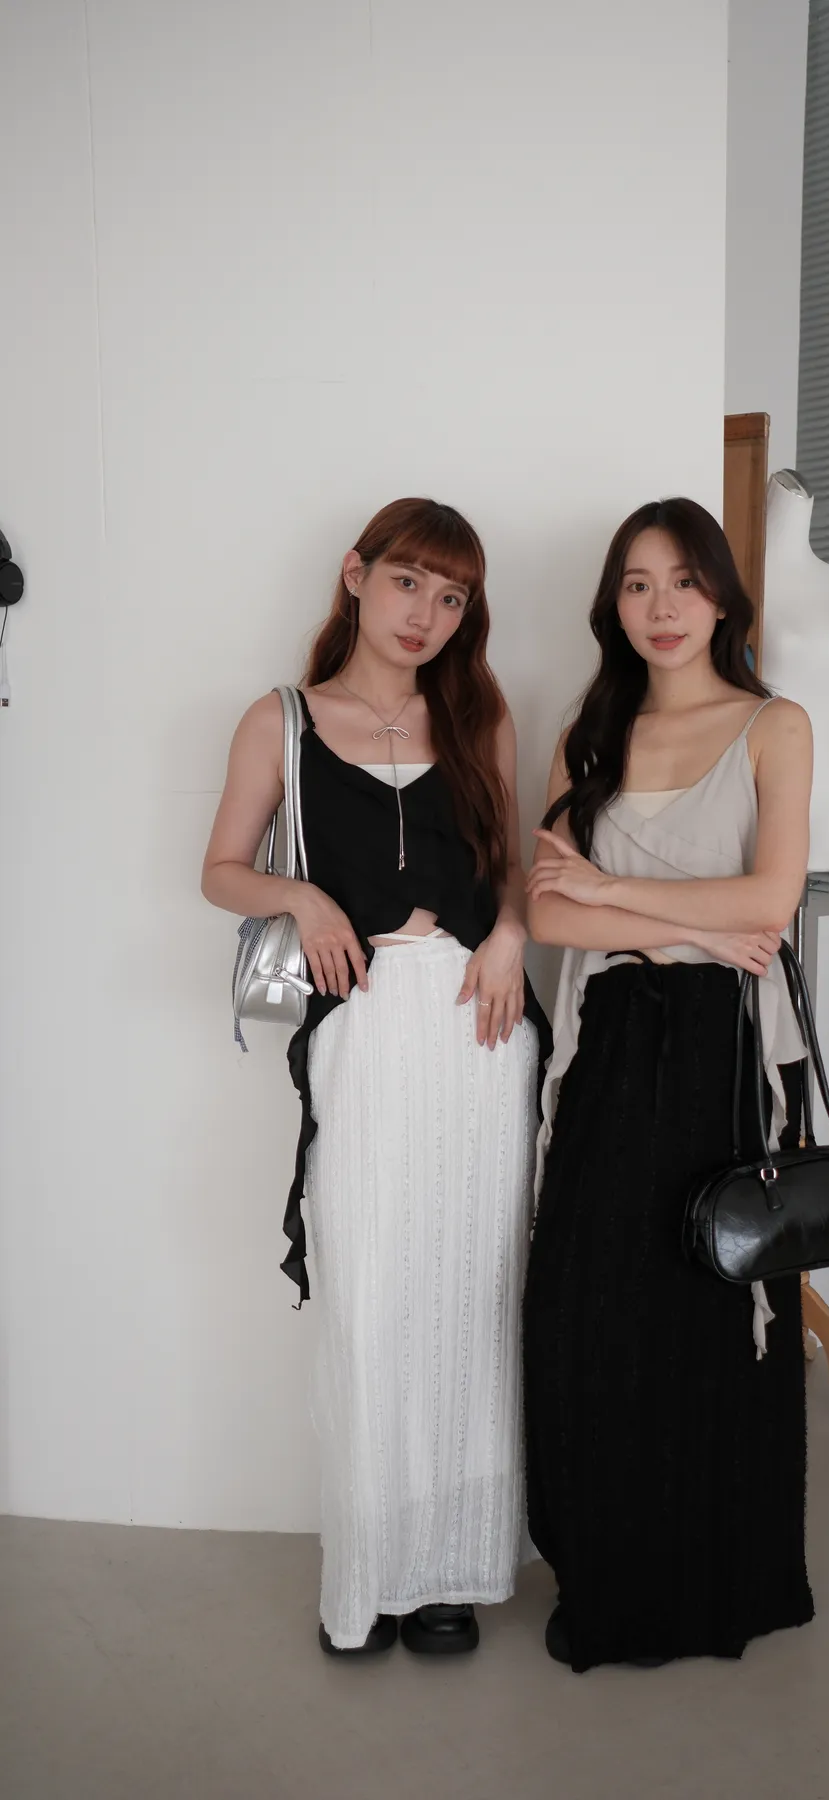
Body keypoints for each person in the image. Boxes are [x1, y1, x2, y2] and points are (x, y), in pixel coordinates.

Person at [202, 498, 546, 1658]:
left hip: (480, 1028)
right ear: (356, 575)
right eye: (408, 583)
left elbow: (513, 868)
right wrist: (300, 896)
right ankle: (371, 1574)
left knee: (471, 1295)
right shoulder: (281, 719)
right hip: (362, 1028)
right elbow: (220, 869)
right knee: (371, 1299)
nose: (426, 614)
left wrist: (512, 936)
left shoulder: (481, 715)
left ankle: (451, 1569)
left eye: (452, 598)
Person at [523, 496, 816, 1672]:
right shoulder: (588, 732)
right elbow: (547, 913)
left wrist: (613, 894)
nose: (662, 606)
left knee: (715, 1305)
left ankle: (721, 1579)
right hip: (611, 1035)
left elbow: (770, 902)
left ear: (723, 598)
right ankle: (609, 1573)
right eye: (638, 583)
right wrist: (675, 921)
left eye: (685, 581)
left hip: (726, 1048)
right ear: (614, 602)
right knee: (590, 1302)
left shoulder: (773, 725)